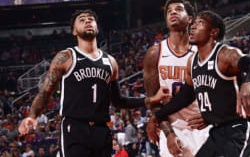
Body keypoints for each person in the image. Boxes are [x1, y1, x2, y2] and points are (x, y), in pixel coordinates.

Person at [18, 9, 169, 157]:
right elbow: (45, 92)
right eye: (82, 20)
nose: (87, 21)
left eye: (91, 19)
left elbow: (119, 101)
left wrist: (151, 100)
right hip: (74, 127)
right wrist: (32, 115)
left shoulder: (111, 62)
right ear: (74, 31)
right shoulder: (66, 57)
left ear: (97, 26)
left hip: (101, 130)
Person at [147, 10, 250, 156]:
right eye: (194, 22)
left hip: (238, 128)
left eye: (200, 23)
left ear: (213, 32)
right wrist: (158, 115)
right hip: (216, 131)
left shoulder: (225, 54)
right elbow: (185, 96)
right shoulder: (192, 61)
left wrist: (248, 84)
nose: (193, 26)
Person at [143, 0, 211, 156]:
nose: (173, 12)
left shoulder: (204, 50)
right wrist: (168, 133)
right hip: (174, 127)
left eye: (178, 9)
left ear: (189, 19)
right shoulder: (155, 53)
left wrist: (211, 116)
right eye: (169, 11)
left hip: (204, 125)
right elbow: (153, 100)